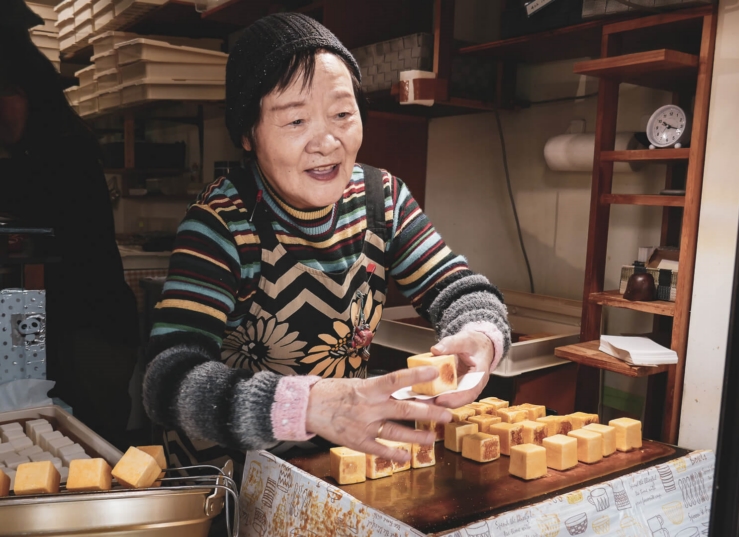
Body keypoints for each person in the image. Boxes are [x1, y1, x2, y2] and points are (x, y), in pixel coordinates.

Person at [143, 13, 511, 466]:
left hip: (335, 465)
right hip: (229, 481)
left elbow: (461, 289)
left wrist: (480, 336)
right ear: (246, 135)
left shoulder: (383, 200)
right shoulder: (221, 225)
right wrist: (307, 405)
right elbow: (167, 378)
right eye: (295, 121)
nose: (326, 141)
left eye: (341, 114)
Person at [0, 2, 139, 448]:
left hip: (89, 332)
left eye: (5, 93)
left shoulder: (60, 150)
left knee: (91, 450)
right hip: (60, 327)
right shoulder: (39, 144)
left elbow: (44, 253)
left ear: (24, 94)